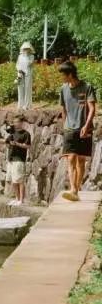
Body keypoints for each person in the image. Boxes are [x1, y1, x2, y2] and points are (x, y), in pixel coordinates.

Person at [58, 61, 96, 202]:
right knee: (71, 158)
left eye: (63, 74)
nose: (61, 77)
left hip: (84, 128)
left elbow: (92, 109)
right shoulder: (63, 89)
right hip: (69, 129)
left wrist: (86, 125)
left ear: (70, 74)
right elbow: (63, 109)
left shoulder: (87, 87)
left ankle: (76, 189)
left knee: (80, 160)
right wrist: (65, 125)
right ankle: (73, 189)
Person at [0, 118, 31, 205]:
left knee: (20, 180)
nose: (15, 124)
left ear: (21, 123)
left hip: (19, 159)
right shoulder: (12, 134)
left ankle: (21, 200)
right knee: (13, 180)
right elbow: (6, 142)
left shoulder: (26, 134)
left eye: (16, 122)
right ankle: (17, 199)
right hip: (11, 159)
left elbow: (28, 146)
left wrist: (17, 144)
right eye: (14, 122)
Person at [16, 41, 35, 109]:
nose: (26, 50)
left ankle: (27, 105)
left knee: (27, 89)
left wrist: (26, 56)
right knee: (20, 89)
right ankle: (20, 104)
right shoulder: (19, 56)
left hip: (28, 74)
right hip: (20, 74)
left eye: (27, 48)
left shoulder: (31, 56)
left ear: (29, 49)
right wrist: (19, 70)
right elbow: (17, 64)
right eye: (25, 48)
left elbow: (28, 63)